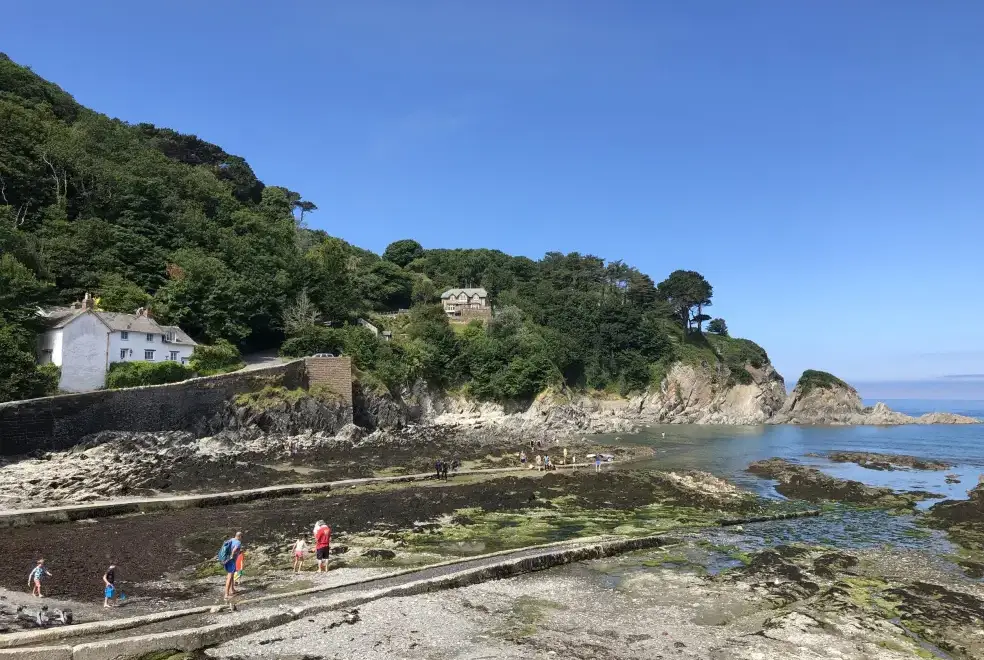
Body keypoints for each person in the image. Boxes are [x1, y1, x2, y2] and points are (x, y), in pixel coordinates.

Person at [221, 532, 243, 600]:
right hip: (231, 561)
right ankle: (226, 594)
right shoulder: (238, 542)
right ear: (239, 536)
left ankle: (232, 589)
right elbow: (234, 550)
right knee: (229, 577)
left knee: (232, 575)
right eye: (242, 537)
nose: (242, 539)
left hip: (226, 559)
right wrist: (232, 556)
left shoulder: (231, 539)